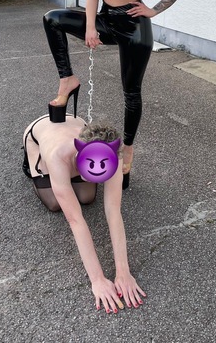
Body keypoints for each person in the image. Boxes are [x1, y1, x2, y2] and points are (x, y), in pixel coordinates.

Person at [43, 0, 185, 188]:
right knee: (53, 18)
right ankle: (67, 80)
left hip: (134, 27)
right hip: (106, 20)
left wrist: (152, 10)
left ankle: (128, 150)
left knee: (131, 93)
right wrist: (90, 26)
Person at [23, 115, 146, 313]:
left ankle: (73, 178)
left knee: (87, 197)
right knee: (55, 203)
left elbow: (113, 210)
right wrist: (97, 279)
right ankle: (33, 162)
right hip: (40, 135)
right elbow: (75, 220)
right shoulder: (58, 156)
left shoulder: (114, 154)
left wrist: (123, 272)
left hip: (74, 124)